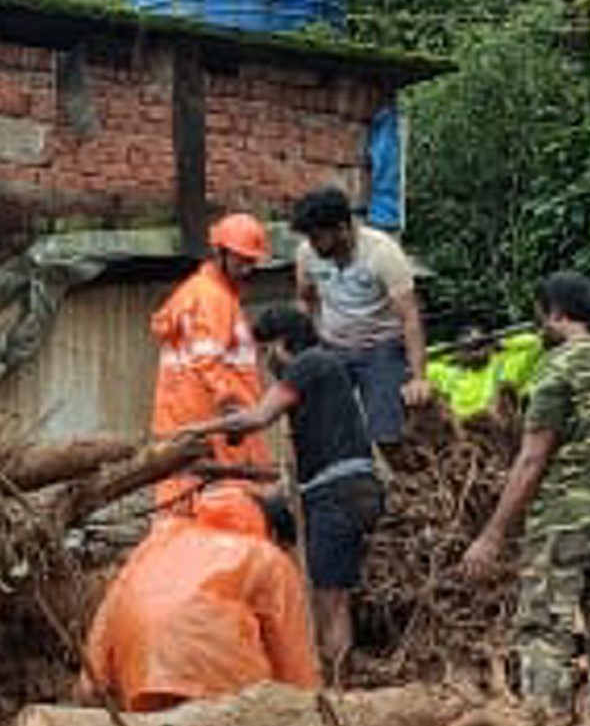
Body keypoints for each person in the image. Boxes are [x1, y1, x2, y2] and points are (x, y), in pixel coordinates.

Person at [463, 273, 590, 717]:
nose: (540, 328)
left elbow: (532, 459)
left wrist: (492, 535)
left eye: (541, 317)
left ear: (557, 314)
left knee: (546, 638)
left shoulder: (557, 368)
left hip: (563, 523)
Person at [194, 304, 394, 680]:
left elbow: (257, 417)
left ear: (283, 345)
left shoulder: (308, 365)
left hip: (337, 495)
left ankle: (337, 689)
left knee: (330, 599)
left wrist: (190, 434)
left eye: (267, 352)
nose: (267, 364)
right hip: (341, 490)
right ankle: (329, 673)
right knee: (319, 579)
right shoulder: (324, 371)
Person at [85, 482, 321, 711]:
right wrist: (311, 713)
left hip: (141, 677)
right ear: (275, 534)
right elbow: (291, 654)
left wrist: (93, 678)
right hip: (221, 685)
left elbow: (112, 606)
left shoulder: (160, 540)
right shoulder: (267, 556)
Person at [148, 212, 280, 505]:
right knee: (228, 506)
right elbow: (208, 361)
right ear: (219, 253)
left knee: (184, 504)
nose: (247, 269)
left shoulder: (199, 293)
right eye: (240, 260)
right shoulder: (213, 297)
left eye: (251, 261)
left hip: (190, 421)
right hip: (214, 423)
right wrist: (232, 408)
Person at [279, 188, 430, 415]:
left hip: (380, 349)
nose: (312, 244)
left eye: (318, 237)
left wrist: (419, 378)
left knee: (387, 434)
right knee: (326, 426)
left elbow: (409, 317)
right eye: (308, 238)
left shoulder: (382, 253)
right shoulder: (307, 254)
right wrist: (293, 344)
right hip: (333, 347)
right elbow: (305, 300)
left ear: (342, 229)